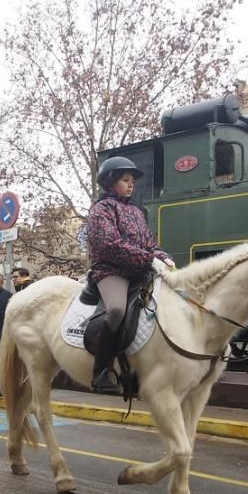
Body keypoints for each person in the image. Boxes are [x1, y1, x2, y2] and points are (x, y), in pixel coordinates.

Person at [86, 156, 173, 393]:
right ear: (111, 181)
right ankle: (101, 371)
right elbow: (109, 244)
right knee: (116, 310)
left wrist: (163, 257)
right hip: (111, 271)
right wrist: (148, 258)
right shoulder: (101, 209)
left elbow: (148, 243)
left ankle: (136, 368)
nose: (131, 184)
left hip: (139, 271)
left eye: (132, 181)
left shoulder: (136, 211)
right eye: (126, 180)